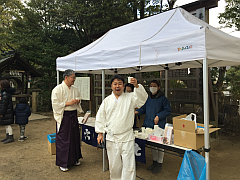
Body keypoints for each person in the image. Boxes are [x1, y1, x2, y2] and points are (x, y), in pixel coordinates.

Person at [95, 75, 148, 180]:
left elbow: (142, 99)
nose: (117, 86)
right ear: (111, 86)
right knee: (114, 165)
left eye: (120, 84)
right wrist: (100, 133)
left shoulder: (131, 98)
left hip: (126, 136)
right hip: (111, 137)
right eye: (115, 84)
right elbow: (100, 116)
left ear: (124, 86)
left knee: (129, 165)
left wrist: (136, 85)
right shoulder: (107, 101)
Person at [136, 80, 171, 174]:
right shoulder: (149, 98)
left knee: (160, 145)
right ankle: (154, 161)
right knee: (152, 145)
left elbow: (168, 110)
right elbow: (144, 108)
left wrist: (159, 116)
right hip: (149, 124)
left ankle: (160, 163)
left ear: (158, 87)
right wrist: (137, 111)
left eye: (154, 85)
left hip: (159, 125)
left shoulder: (163, 99)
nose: (152, 87)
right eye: (151, 85)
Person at [51, 69, 83, 172]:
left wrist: (77, 101)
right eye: (72, 78)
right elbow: (55, 104)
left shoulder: (75, 89)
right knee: (64, 139)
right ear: (66, 77)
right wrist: (68, 103)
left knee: (74, 137)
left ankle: (75, 159)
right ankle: (63, 162)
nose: (74, 80)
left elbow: (79, 96)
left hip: (73, 115)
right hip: (64, 116)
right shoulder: (57, 89)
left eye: (74, 78)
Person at [0, 79, 16, 144]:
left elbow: (4, 104)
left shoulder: (5, 93)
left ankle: (10, 137)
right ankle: (7, 136)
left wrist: (1, 112)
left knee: (8, 125)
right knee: (6, 124)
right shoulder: (5, 93)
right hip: (7, 111)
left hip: (6, 111)